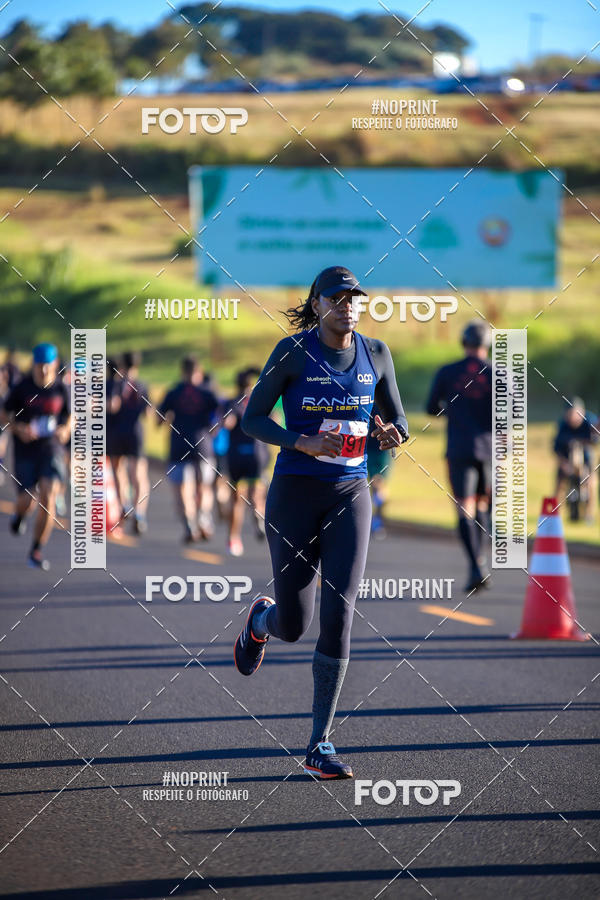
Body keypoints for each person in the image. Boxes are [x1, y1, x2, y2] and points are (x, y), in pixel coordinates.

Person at [234, 265, 409, 779]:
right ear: (317, 304)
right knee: (295, 625)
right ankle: (261, 621)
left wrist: (392, 434)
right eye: (338, 297)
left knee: (340, 610)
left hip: (350, 493)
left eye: (355, 297)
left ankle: (320, 743)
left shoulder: (376, 354)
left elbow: (397, 418)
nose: (349, 305)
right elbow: (253, 418)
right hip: (294, 495)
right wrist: (301, 440)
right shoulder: (291, 352)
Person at [426, 321, 492, 593]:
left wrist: (453, 409)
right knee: (484, 505)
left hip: (460, 447)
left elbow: (431, 408)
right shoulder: (502, 373)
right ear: (487, 344)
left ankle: (475, 564)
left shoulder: (447, 372)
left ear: (463, 342)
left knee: (464, 506)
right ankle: (482, 560)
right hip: (491, 450)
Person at [3, 342, 70, 570]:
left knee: (49, 496)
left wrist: (65, 429)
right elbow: (3, 413)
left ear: (55, 365)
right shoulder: (22, 388)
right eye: (39, 366)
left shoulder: (61, 388)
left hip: (50, 449)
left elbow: (71, 416)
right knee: (27, 500)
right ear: (33, 364)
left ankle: (36, 550)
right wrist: (17, 428)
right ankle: (19, 516)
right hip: (25, 450)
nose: (43, 371)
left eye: (47, 366)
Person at [157, 356, 219, 543]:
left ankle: (190, 524)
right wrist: (214, 429)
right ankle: (204, 518)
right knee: (204, 487)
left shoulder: (174, 392)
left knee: (182, 489)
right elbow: (222, 415)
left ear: (182, 372)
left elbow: (159, 418)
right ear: (199, 372)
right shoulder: (208, 392)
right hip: (203, 445)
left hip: (179, 445)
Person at [224, 367, 270, 556]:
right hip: (257, 455)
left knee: (237, 500)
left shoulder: (231, 403)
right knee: (257, 495)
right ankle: (258, 515)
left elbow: (226, 424)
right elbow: (273, 421)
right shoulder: (259, 402)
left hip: (236, 456)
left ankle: (233, 539)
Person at [109, 351, 149, 535]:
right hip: (135, 433)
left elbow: (111, 406)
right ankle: (139, 512)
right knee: (138, 473)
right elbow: (149, 412)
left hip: (116, 432)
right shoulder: (142, 385)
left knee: (118, 470)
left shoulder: (115, 384)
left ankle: (124, 504)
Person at [553, 397, 597, 522]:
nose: (574, 417)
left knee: (591, 482)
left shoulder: (589, 421)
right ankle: (554, 514)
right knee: (558, 483)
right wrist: (564, 464)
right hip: (566, 459)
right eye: (571, 414)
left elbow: (595, 441)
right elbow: (556, 448)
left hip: (586, 459)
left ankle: (589, 514)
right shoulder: (562, 425)